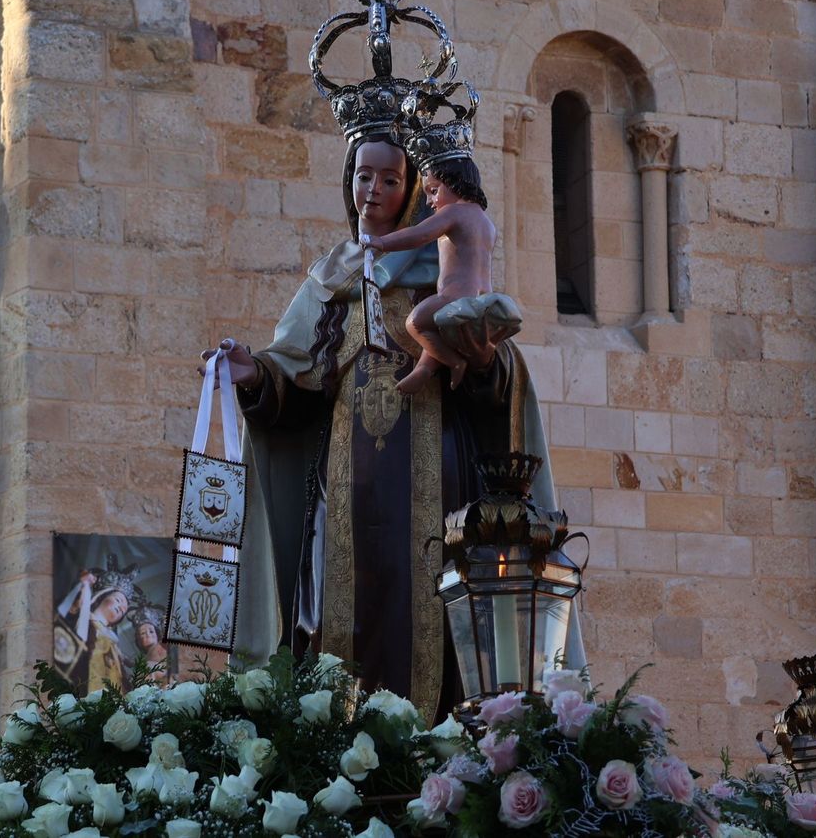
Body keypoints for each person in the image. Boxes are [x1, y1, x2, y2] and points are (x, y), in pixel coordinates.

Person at [202, 134, 556, 720]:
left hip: (438, 480)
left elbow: (495, 375)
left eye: (391, 179)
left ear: (415, 189)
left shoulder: (441, 266)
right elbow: (300, 377)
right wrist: (255, 375)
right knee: (342, 611)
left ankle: (435, 744)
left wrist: (484, 357)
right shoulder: (332, 278)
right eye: (364, 176)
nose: (374, 190)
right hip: (346, 487)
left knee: (434, 606)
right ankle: (339, 751)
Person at [361, 154, 495, 394]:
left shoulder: (453, 212)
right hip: (483, 297)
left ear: (454, 182)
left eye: (433, 191)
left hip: (456, 297)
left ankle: (454, 362)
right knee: (438, 330)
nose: (430, 201)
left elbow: (419, 235)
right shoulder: (485, 221)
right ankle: (423, 369)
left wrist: (380, 242)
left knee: (417, 323)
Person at [53, 562, 136, 693]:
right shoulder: (81, 616)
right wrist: (84, 586)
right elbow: (64, 614)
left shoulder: (114, 644)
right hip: (84, 682)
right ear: (102, 596)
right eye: (118, 600)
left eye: (124, 610)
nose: (121, 607)